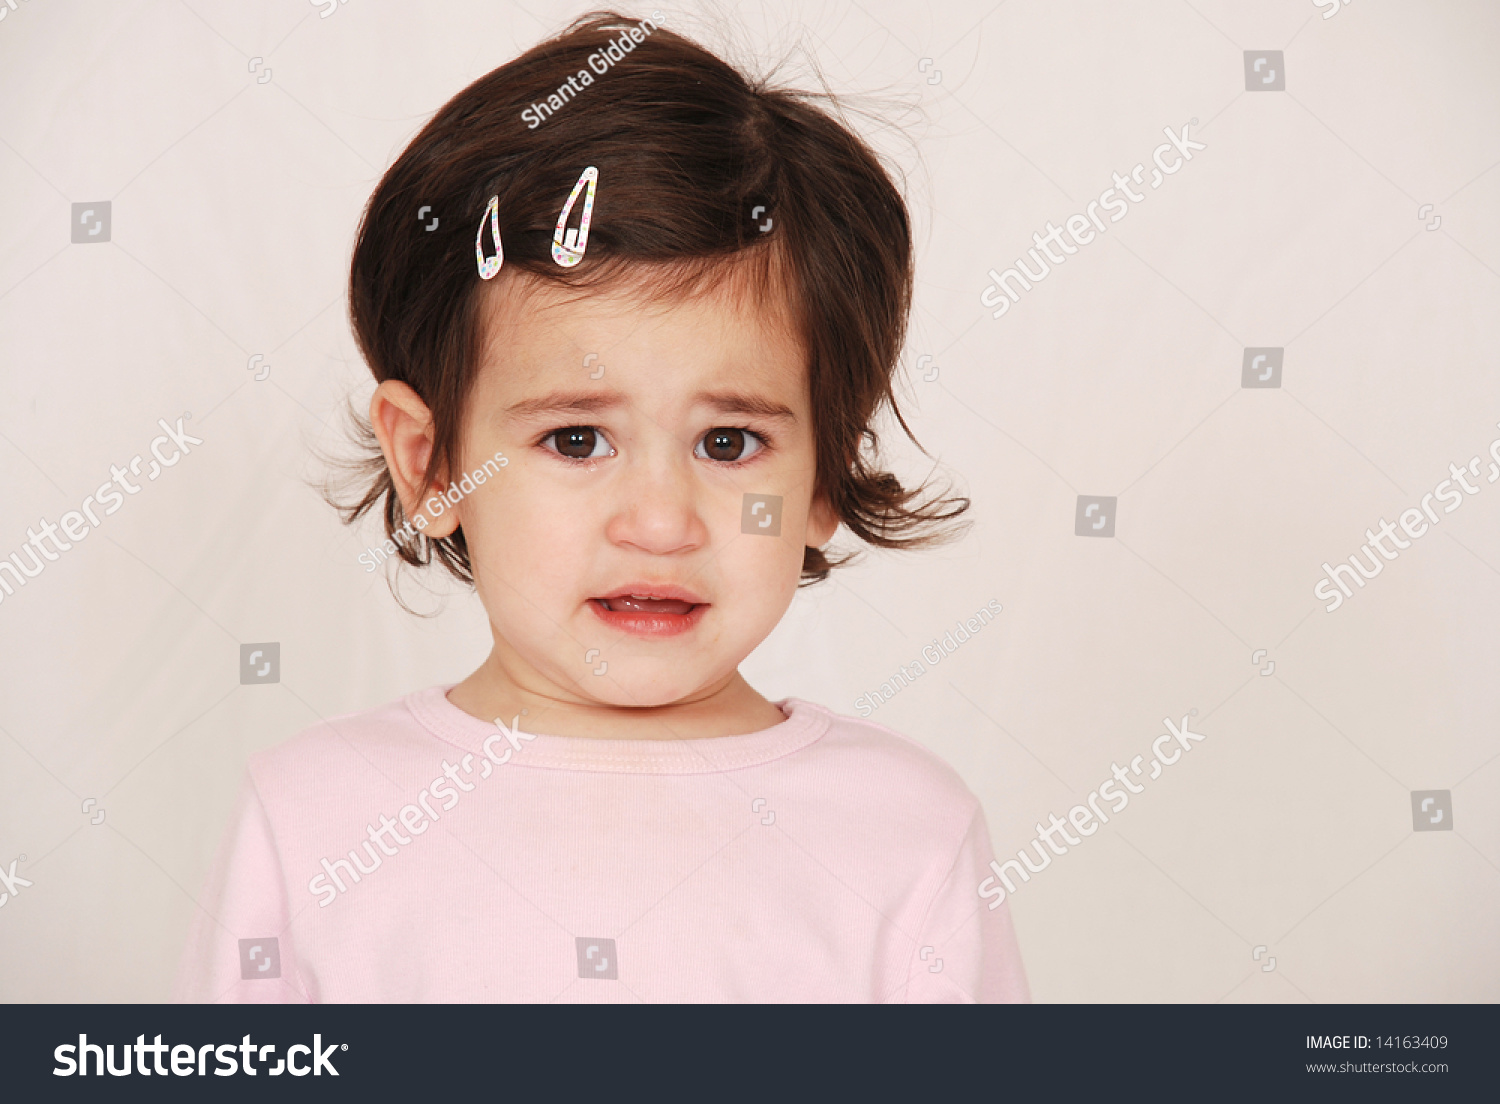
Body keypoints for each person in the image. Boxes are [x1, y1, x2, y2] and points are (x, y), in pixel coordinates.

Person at [174, 10, 1028, 1003]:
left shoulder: (906, 834)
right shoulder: (312, 819)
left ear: (825, 479)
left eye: (729, 442)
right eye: (575, 439)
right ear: (432, 462)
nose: (661, 523)